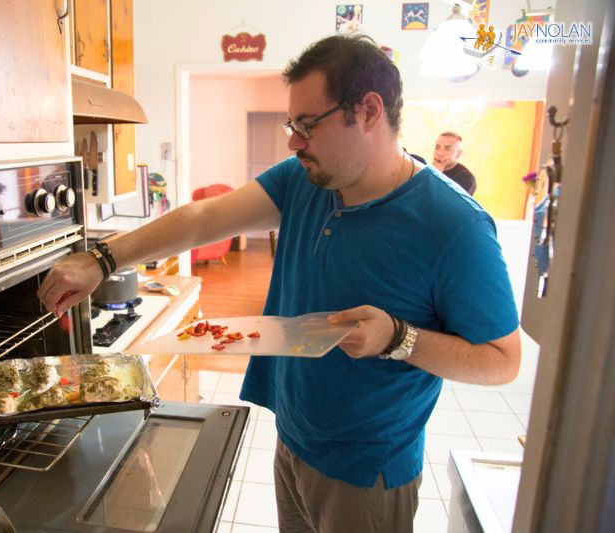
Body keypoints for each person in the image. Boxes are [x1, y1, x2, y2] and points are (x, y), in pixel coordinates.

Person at [38, 33, 521, 533]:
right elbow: (205, 218)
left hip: (365, 470)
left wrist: (399, 338)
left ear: (370, 111)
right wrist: (104, 258)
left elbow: (502, 361)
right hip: (293, 437)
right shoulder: (305, 178)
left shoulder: (453, 226)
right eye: (295, 125)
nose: (293, 142)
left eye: (308, 125)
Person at [432, 131, 477, 195]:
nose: (440, 153)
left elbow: (447, 202)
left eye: (447, 149)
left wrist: (436, 175)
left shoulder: (466, 177)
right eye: (437, 147)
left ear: (458, 153)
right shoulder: (423, 168)